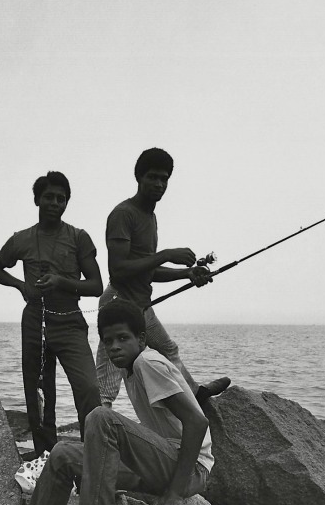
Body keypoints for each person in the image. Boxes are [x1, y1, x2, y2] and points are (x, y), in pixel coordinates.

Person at [0, 298, 214, 505]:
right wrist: (108, 469)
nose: (114, 347)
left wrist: (173, 494)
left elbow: (197, 422)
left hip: (190, 469)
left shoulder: (148, 363)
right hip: (164, 462)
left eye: (123, 338)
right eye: (107, 340)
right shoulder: (131, 368)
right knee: (63, 454)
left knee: (101, 417)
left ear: (142, 338)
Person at [95, 147, 230, 408]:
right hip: (118, 303)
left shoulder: (151, 217)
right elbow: (119, 269)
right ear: (139, 178)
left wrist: (187, 274)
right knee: (109, 379)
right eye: (153, 177)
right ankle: (98, 432)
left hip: (141, 306)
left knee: (169, 352)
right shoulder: (123, 214)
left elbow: (147, 270)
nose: (159, 184)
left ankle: (195, 395)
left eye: (164, 178)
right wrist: (167, 254)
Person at [0, 170, 103, 454]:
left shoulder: (78, 237)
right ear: (37, 199)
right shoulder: (22, 239)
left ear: (66, 204)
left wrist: (61, 281)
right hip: (35, 321)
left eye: (61, 199)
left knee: (88, 388)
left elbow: (97, 286)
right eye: (49, 197)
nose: (55, 203)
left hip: (69, 322)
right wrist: (20, 286)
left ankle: (94, 453)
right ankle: (44, 456)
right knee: (38, 391)